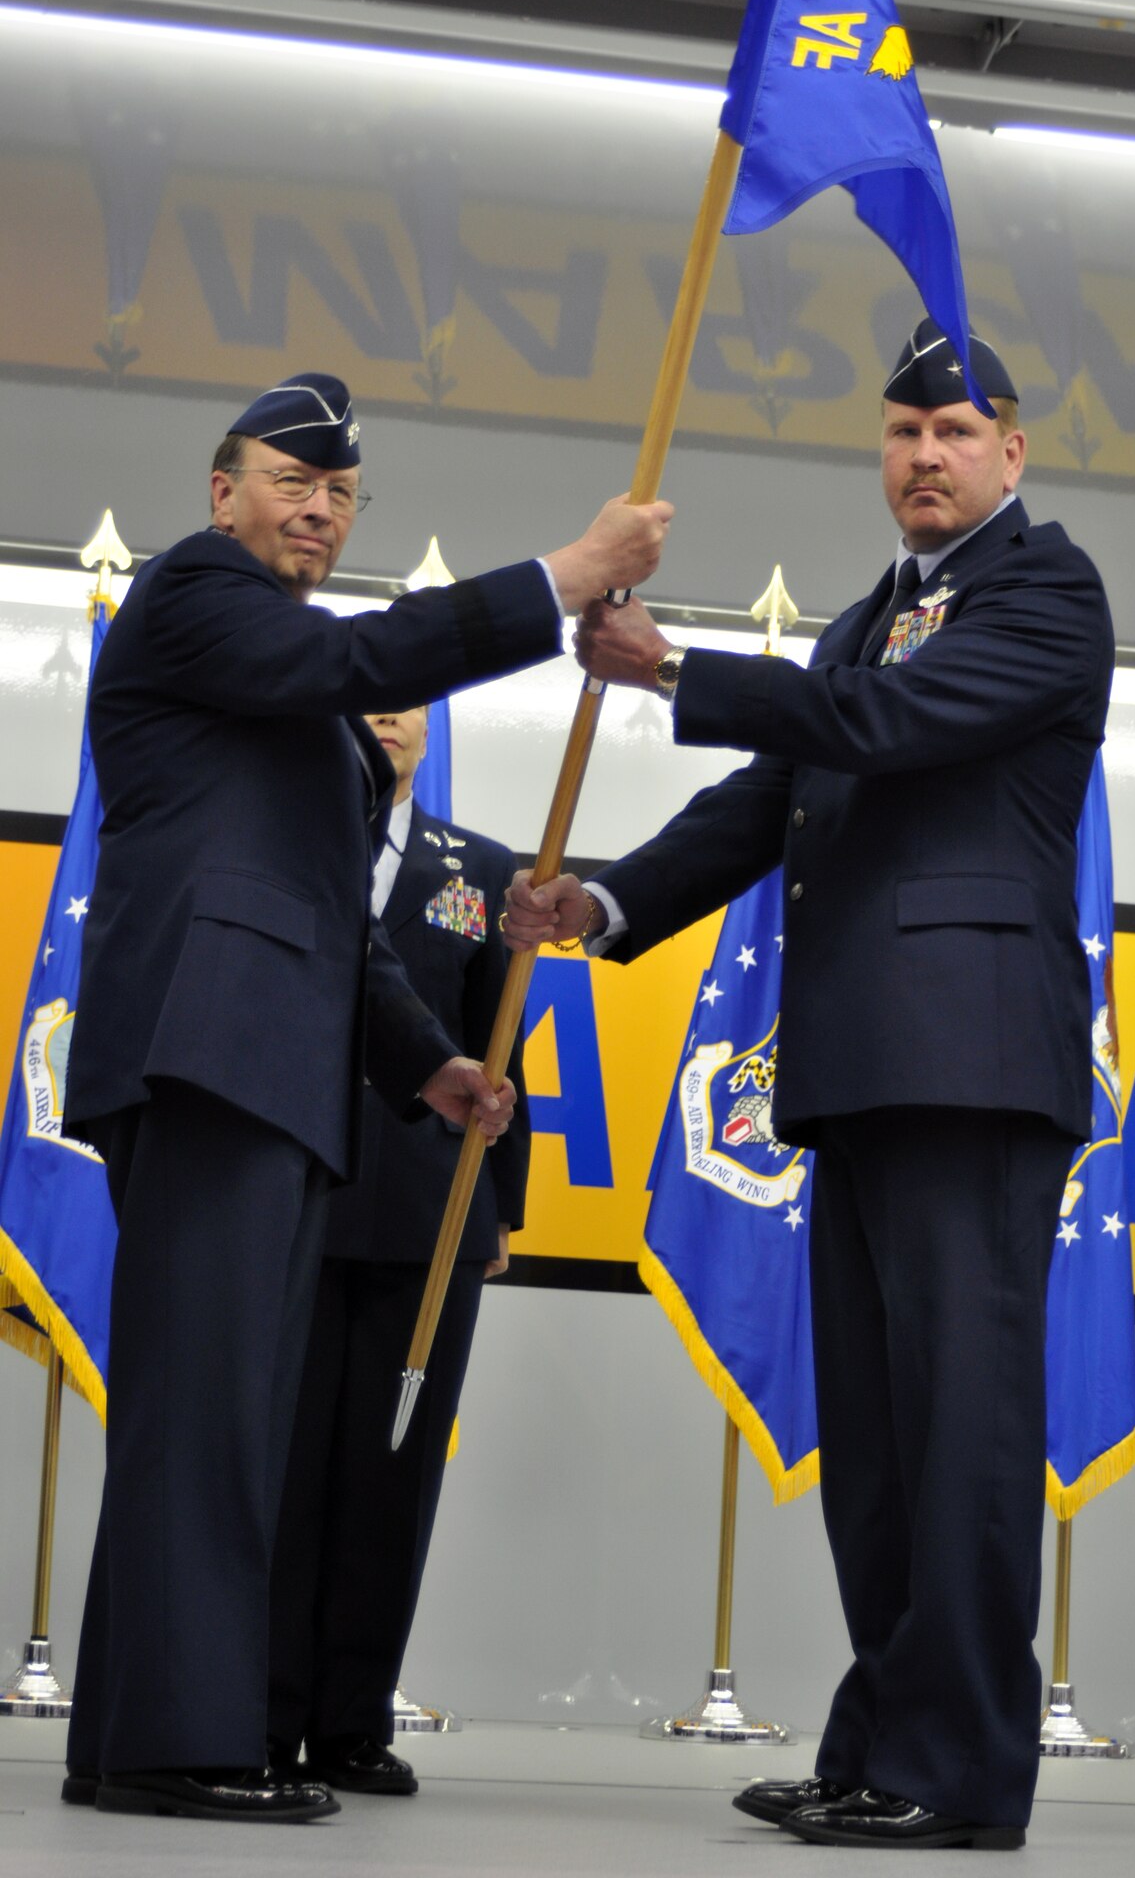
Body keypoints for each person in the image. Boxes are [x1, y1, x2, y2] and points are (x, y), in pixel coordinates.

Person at [504, 320, 1115, 1851]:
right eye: (902, 434)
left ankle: (959, 1772)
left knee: (960, 1431)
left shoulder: (1046, 589)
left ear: (1009, 454)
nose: (923, 456)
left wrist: (680, 666)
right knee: (882, 1438)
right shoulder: (865, 617)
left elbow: (889, 729)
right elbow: (768, 796)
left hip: (970, 1068)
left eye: (954, 433)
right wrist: (609, 906)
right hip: (858, 1070)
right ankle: (879, 1746)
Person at [60, 372, 671, 1823]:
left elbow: (333, 925)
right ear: (222, 494)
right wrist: (563, 579)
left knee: (218, 1414)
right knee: (207, 1415)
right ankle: (180, 1745)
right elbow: (362, 658)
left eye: (339, 495)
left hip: (270, 1075)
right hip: (208, 1058)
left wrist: (431, 1067)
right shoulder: (196, 596)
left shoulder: (292, 697)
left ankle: (142, 1733)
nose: (317, 508)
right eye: (291, 480)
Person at [267, 703, 529, 1794]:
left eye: (413, 702)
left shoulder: (481, 865)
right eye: (374, 694)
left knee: (392, 1468)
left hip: (429, 1203)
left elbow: (504, 1043)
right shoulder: (289, 831)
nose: (391, 715)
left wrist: (498, 1215)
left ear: (432, 730)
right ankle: (254, 1709)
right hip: (293, 1185)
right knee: (280, 1466)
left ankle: (351, 1721)